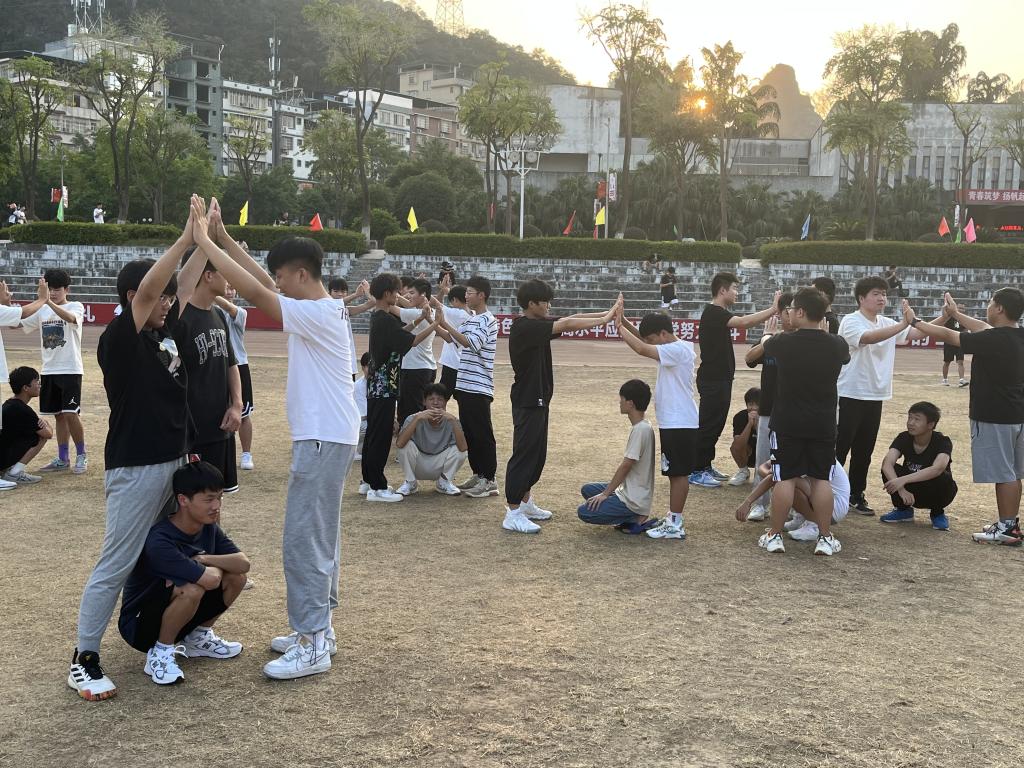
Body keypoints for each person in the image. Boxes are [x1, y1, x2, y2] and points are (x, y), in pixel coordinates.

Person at [192, 196, 363, 680]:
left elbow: (256, 290)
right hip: (329, 437)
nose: (278, 284)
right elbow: (264, 284)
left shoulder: (318, 313)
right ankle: (319, 627)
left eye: (284, 276)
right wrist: (223, 237)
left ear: (302, 275)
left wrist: (203, 241)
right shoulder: (321, 307)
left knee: (304, 540)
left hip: (322, 439)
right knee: (319, 537)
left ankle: (312, 641)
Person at [68, 200, 195, 702]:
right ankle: (83, 658)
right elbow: (149, 291)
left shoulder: (166, 335)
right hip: (136, 466)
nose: (168, 303)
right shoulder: (119, 340)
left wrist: (206, 242)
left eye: (168, 298)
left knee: (178, 553)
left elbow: (184, 287)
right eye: (160, 297)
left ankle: (176, 637)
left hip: (174, 462)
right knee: (117, 562)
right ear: (134, 297)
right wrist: (183, 240)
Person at [905, 289, 1024, 545]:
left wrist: (914, 321)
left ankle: (1006, 528)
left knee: (1004, 474)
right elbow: (981, 326)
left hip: (995, 415)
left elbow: (950, 336)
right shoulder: (1016, 334)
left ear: (1000, 308)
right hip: (1016, 414)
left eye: (991, 303)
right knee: (1013, 473)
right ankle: (1010, 525)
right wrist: (955, 313)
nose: (988, 307)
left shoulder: (994, 339)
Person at [502, 279, 622, 534]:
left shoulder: (537, 325)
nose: (548, 306)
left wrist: (608, 313)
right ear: (531, 304)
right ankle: (512, 512)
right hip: (527, 400)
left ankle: (525, 503)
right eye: (545, 302)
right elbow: (567, 324)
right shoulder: (524, 327)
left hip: (538, 399)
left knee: (536, 455)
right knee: (524, 455)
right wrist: (605, 319)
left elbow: (571, 319)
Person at [117, 461, 249, 686]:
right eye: (208, 499)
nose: (216, 506)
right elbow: (211, 580)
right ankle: (160, 652)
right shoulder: (160, 540)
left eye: (219, 497)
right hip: (139, 627)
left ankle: (198, 637)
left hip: (179, 610)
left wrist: (204, 559)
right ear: (183, 500)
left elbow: (243, 564)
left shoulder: (208, 527)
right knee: (192, 588)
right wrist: (217, 565)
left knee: (236, 578)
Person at [835, 276, 940, 514]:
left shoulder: (886, 322)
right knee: (839, 448)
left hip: (875, 396)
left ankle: (855, 494)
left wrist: (945, 316)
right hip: (850, 393)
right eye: (876, 293)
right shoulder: (851, 321)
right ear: (861, 298)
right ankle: (829, 491)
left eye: (884, 293)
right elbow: (867, 338)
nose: (882, 298)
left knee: (864, 450)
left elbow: (915, 333)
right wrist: (903, 324)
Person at [758, 287, 850, 556]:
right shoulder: (837, 343)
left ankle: (774, 535)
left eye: (791, 309)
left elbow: (767, 343)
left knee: (784, 477)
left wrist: (767, 333)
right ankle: (825, 537)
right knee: (821, 479)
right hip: (822, 423)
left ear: (800, 312)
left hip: (787, 422)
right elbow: (843, 357)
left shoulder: (783, 342)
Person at [614, 310, 698, 540]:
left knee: (678, 474)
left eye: (652, 338)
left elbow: (641, 348)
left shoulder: (677, 350)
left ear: (663, 333)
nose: (650, 343)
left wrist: (618, 327)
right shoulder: (673, 348)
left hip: (680, 422)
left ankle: (675, 523)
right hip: (676, 421)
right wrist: (624, 322)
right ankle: (673, 517)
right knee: (674, 472)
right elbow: (644, 341)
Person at [692, 273, 779, 488]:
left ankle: (705, 465)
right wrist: (773, 309)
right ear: (722, 290)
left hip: (720, 379)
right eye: (734, 288)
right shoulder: (714, 312)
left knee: (716, 424)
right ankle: (696, 469)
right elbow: (744, 322)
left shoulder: (718, 313)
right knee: (708, 424)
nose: (736, 293)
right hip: (713, 380)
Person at [361, 273, 439, 502]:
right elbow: (411, 341)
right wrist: (434, 324)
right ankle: (378, 487)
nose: (399, 295)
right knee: (381, 435)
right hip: (385, 385)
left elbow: (401, 334)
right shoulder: (385, 319)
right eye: (396, 292)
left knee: (375, 432)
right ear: (387, 294)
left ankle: (368, 481)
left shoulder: (380, 317)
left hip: (378, 385)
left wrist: (419, 319)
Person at [170, 248, 242, 494]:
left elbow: (231, 363)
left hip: (220, 428)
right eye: (224, 271)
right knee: (192, 500)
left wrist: (237, 404)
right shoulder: (179, 320)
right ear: (208, 276)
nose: (230, 278)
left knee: (214, 498)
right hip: (191, 432)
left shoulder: (218, 314)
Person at [432, 275, 499, 499]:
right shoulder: (471, 320)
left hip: (478, 386)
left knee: (482, 434)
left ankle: (489, 479)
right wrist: (436, 323)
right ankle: (478, 474)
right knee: (470, 433)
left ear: (482, 295)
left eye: (470, 292)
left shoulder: (487, 320)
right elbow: (452, 339)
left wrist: (444, 324)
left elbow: (470, 343)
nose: (466, 296)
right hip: (465, 385)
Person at [20, 268, 88, 474]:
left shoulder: (76, 306)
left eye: (57, 289)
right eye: (50, 289)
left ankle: (82, 455)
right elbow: (19, 324)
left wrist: (47, 301)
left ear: (67, 289)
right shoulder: (42, 310)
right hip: (49, 370)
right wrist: (5, 304)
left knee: (71, 413)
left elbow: (71, 318)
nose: (53, 293)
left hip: (70, 368)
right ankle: (63, 458)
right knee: (59, 415)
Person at [577, 379, 658, 534]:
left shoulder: (640, 430)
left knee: (584, 511)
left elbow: (626, 465)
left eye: (622, 399)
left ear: (630, 403)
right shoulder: (643, 426)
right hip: (630, 490)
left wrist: (605, 494)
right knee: (587, 489)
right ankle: (629, 513)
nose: (619, 403)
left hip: (633, 500)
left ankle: (635, 517)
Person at [743, 292, 795, 520]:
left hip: (795, 411)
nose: (791, 315)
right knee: (762, 458)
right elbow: (749, 359)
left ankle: (794, 508)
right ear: (780, 313)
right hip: (768, 409)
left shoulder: (803, 340)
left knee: (793, 462)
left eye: (795, 310)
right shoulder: (772, 339)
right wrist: (767, 340)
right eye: (787, 311)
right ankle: (760, 505)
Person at [879, 401, 957, 530]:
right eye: (909, 417)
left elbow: (937, 468)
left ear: (930, 424)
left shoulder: (942, 441)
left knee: (943, 476)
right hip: (909, 491)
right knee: (890, 470)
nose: (911, 423)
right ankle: (903, 510)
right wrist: (901, 489)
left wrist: (902, 480)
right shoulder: (904, 437)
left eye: (917, 419)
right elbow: (887, 463)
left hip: (934, 490)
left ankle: (937, 513)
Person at [736, 459, 850, 544]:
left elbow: (776, 477)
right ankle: (801, 518)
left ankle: (814, 526)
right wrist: (772, 473)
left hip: (834, 509)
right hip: (830, 504)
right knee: (784, 482)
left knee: (787, 481)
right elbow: (763, 467)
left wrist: (747, 502)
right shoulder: (795, 447)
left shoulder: (805, 451)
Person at [395, 383, 468, 496]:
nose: (435, 402)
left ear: (445, 402)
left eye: (440, 399)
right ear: (424, 402)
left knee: (459, 451)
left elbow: (463, 448)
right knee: (406, 446)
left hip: (440, 464)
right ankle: (410, 482)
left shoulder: (452, 420)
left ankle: (444, 482)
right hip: (418, 463)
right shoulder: (413, 418)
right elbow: (399, 444)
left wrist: (453, 421)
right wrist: (417, 419)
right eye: (431, 399)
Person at [215, 285, 256, 471]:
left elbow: (229, 308)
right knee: (219, 411)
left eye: (232, 288)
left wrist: (210, 293)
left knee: (244, 413)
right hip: (217, 365)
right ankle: (224, 451)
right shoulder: (209, 312)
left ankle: (246, 453)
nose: (229, 291)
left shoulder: (240, 312)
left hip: (239, 365)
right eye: (226, 287)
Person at [0, 366, 52, 484]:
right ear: (25, 388)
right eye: (37, 382)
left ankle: (7, 470)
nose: (39, 385)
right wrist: (47, 424)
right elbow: (48, 434)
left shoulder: (9, 404)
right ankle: (14, 473)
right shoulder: (23, 410)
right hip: (3, 458)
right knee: (40, 437)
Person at [396, 278, 438, 426]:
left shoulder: (416, 314)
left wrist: (374, 294)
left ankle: (412, 439)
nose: (409, 296)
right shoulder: (430, 312)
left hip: (414, 369)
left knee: (411, 413)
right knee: (422, 410)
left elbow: (388, 306)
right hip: (428, 368)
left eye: (412, 293)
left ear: (423, 295)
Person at [328, 276, 372, 381]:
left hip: (347, 360)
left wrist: (367, 291)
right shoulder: (326, 308)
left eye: (343, 291)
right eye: (336, 291)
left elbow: (370, 304)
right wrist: (356, 295)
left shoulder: (347, 311)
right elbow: (334, 305)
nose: (340, 294)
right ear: (329, 293)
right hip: (332, 362)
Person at [436, 282, 472, 395]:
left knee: (442, 397)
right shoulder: (472, 313)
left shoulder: (457, 313)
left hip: (452, 363)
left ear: (455, 300)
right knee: (462, 397)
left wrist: (423, 291)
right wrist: (445, 290)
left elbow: (435, 303)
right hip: (464, 363)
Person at [728, 387, 759, 486]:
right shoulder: (740, 417)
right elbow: (738, 445)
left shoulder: (770, 417)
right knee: (735, 447)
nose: (754, 408)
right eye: (751, 404)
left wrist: (757, 426)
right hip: (748, 454)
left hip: (767, 456)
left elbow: (771, 443)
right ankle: (743, 471)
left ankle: (765, 474)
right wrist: (750, 424)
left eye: (758, 404)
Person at [940, 315, 968, 387]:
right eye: (960, 309)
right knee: (947, 362)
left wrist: (964, 336)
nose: (962, 310)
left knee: (960, 361)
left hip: (959, 342)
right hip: (949, 342)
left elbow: (965, 329)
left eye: (962, 309)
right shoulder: (949, 318)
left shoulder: (962, 318)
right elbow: (943, 327)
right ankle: (945, 380)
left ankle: (961, 380)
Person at [354, 352, 370, 459]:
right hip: (363, 420)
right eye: (368, 366)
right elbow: (363, 414)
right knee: (365, 427)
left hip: (373, 418)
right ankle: (359, 451)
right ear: (363, 368)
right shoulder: (358, 386)